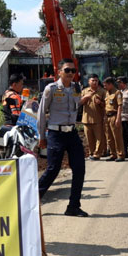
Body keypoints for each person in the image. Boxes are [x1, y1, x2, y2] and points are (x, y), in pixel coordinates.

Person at [37, 58, 87, 217]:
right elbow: (41, 113)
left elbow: (73, 107)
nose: (71, 73)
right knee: (52, 169)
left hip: (71, 133)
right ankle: (31, 203)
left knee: (79, 169)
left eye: (73, 71)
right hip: (55, 134)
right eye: (67, 70)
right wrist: (41, 136)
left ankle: (73, 206)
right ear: (59, 72)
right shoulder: (50, 89)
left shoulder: (76, 88)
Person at [80, 74, 107, 160]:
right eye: (93, 80)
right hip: (86, 119)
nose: (95, 82)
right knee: (89, 139)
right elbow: (80, 103)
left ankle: (97, 154)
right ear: (89, 82)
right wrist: (86, 97)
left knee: (100, 138)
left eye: (96, 80)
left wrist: (100, 103)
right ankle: (91, 153)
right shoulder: (84, 91)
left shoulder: (102, 92)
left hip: (98, 119)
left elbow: (107, 105)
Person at [103, 76, 125, 162]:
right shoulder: (107, 93)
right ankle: (113, 154)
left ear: (110, 84)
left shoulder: (117, 93)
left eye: (105, 85)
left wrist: (118, 118)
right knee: (109, 137)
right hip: (107, 117)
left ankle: (120, 155)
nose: (104, 87)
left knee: (117, 137)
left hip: (114, 116)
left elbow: (120, 106)